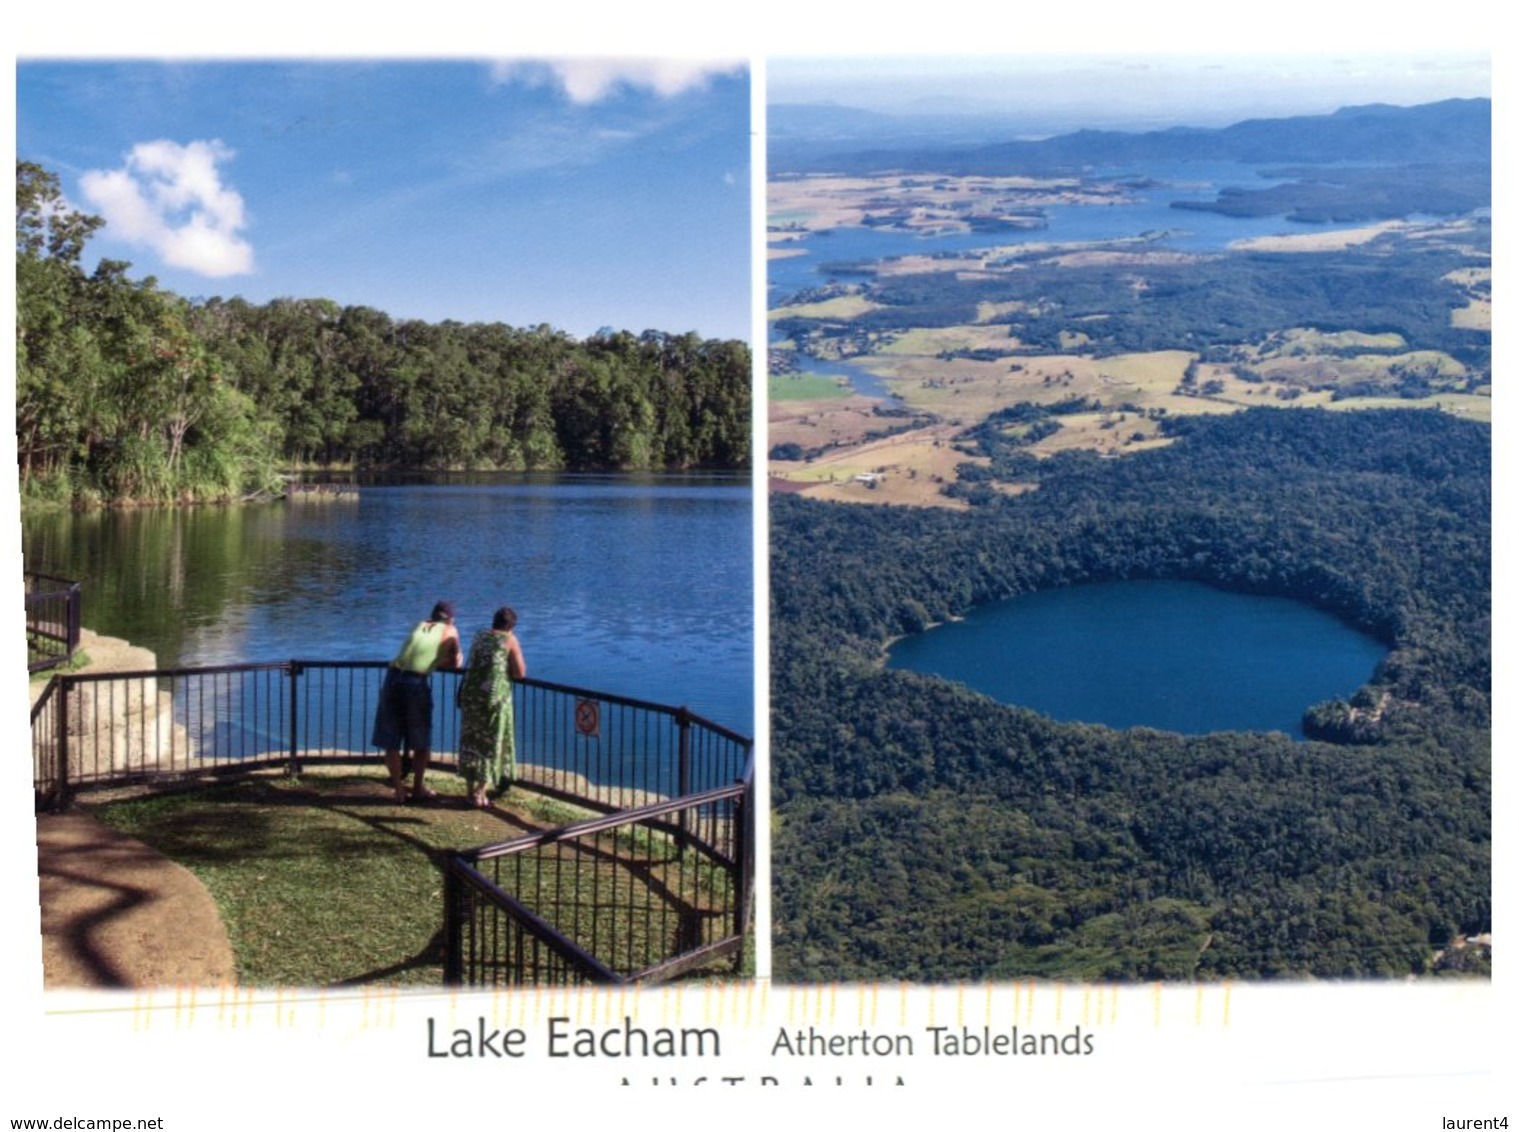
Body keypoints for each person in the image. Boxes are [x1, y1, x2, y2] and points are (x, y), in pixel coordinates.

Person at [372, 600, 461, 804]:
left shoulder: (419, 624)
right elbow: (455, 663)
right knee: (421, 739)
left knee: (391, 739)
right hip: (415, 682)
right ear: (451, 619)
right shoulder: (450, 631)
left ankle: (398, 790)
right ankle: (418, 787)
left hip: (392, 677)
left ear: (432, 615)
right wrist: (456, 657)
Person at [457, 606, 527, 808]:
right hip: (492, 699)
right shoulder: (508, 639)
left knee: (471, 742)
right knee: (490, 744)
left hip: (471, 696)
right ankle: (480, 794)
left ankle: (469, 792)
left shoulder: (480, 636)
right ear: (511, 627)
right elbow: (520, 672)